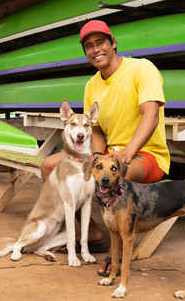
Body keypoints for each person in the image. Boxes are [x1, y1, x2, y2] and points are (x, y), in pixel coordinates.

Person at [40, 20, 170, 276]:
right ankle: (88, 231)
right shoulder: (92, 85)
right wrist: (96, 157)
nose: (95, 49)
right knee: (49, 167)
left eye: (100, 42)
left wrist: (127, 154)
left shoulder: (142, 68)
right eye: (89, 45)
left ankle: (116, 253)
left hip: (146, 155)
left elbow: (151, 116)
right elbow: (95, 129)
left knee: (120, 175)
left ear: (113, 43)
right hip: (109, 153)